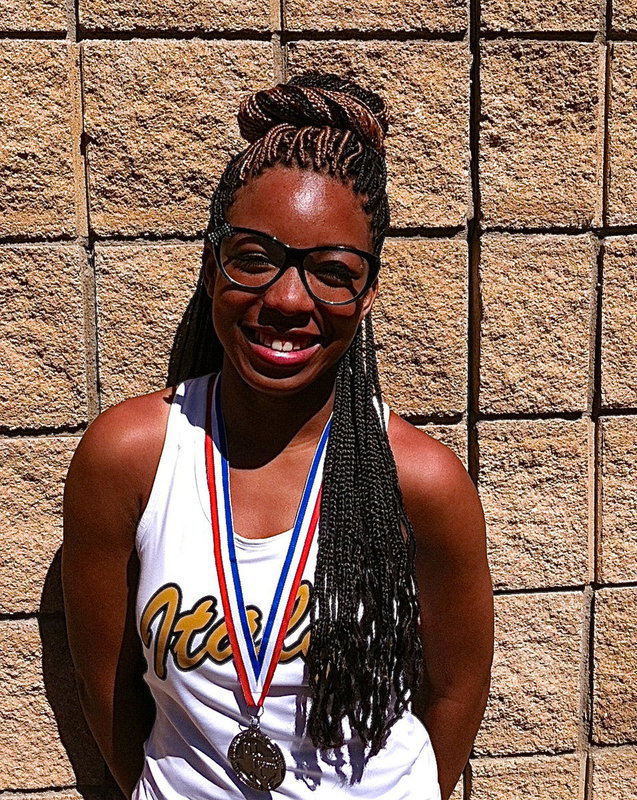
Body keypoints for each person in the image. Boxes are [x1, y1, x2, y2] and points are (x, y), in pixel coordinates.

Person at [62, 71, 494, 800]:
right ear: (211, 264)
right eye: (255, 258)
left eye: (331, 271)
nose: (288, 299)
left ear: (368, 292)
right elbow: (105, 689)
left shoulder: (420, 482)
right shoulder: (129, 457)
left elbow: (454, 691)